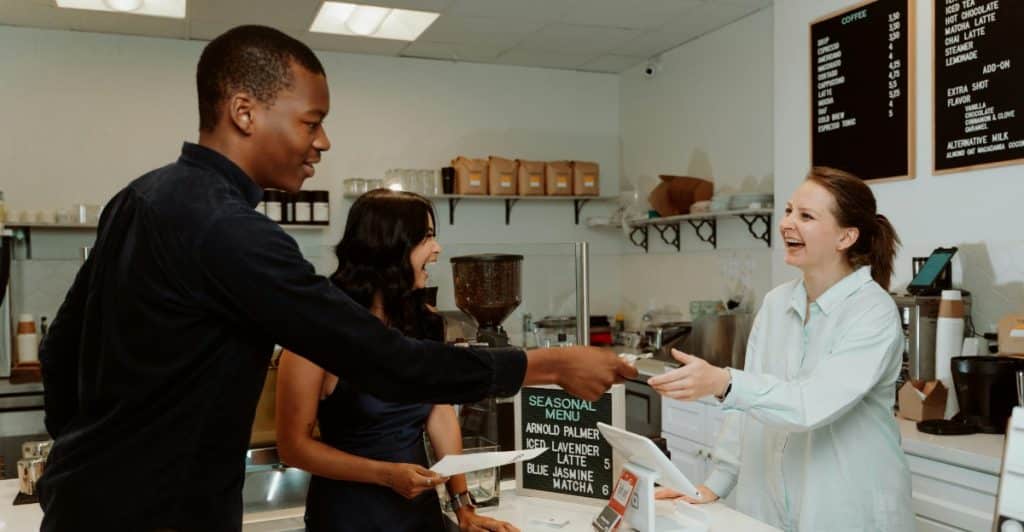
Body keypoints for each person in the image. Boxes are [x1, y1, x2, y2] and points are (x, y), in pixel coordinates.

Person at [37, 25, 635, 531]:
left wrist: (85, 458)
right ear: (245, 111)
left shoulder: (139, 197)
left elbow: (60, 350)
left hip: (87, 503)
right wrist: (548, 365)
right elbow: (385, 361)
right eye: (311, 122)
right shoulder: (230, 230)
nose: (322, 142)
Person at [649, 167, 913, 531]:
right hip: (773, 509)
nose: (788, 223)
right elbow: (745, 411)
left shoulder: (872, 311)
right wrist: (715, 484)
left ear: (846, 237)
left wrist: (724, 383)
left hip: (849, 508)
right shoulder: (777, 303)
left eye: (806, 216)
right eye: (789, 211)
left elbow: (810, 405)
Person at [276, 189, 518, 532]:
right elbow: (293, 447)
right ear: (388, 247)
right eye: (428, 237)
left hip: (419, 515)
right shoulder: (318, 331)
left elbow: (440, 411)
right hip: (349, 517)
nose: (438, 249)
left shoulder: (424, 321)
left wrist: (463, 505)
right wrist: (386, 475)